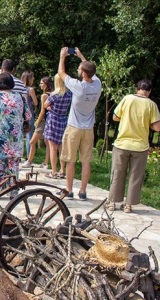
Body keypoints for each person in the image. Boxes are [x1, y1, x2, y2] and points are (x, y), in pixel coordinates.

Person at [107, 79, 160, 213]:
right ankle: (128, 205)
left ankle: (112, 203)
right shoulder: (151, 105)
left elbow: (115, 117)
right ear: (149, 91)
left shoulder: (127, 99)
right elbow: (158, 127)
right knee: (135, 176)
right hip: (140, 146)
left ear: (137, 88)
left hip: (122, 143)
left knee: (117, 174)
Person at [58, 47, 102, 200]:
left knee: (70, 160)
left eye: (79, 69)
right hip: (88, 128)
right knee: (86, 161)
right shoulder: (97, 85)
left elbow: (62, 74)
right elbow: (91, 72)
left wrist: (62, 57)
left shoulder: (79, 87)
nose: (77, 70)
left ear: (83, 73)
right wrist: (81, 56)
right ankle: (83, 191)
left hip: (74, 128)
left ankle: (69, 190)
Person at [43, 74, 72, 179]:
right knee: (61, 147)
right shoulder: (69, 94)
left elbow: (45, 105)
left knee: (52, 148)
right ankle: (62, 170)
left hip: (53, 120)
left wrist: (51, 108)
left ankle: (54, 171)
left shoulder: (54, 95)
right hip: (63, 120)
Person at [22, 76, 53, 169]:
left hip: (43, 121)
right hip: (50, 121)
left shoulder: (44, 96)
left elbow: (42, 111)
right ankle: (46, 163)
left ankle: (29, 161)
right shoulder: (54, 94)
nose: (40, 85)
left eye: (41, 83)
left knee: (32, 142)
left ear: (46, 84)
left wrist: (37, 122)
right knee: (48, 143)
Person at [20, 71, 38, 157]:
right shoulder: (30, 89)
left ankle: (18, 155)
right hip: (29, 114)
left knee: (19, 136)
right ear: (28, 78)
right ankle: (29, 157)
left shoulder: (19, 89)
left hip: (20, 115)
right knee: (29, 137)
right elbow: (35, 103)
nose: (33, 79)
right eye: (32, 77)